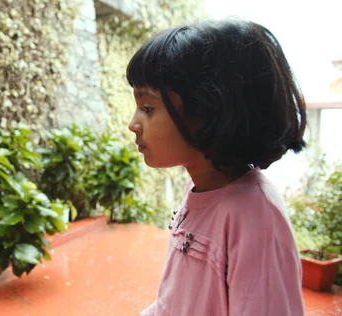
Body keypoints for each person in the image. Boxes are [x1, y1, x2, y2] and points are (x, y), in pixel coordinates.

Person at [127, 19, 305, 315]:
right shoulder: (199, 188)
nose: (133, 124)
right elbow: (176, 301)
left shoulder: (256, 218)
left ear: (209, 110)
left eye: (148, 108)